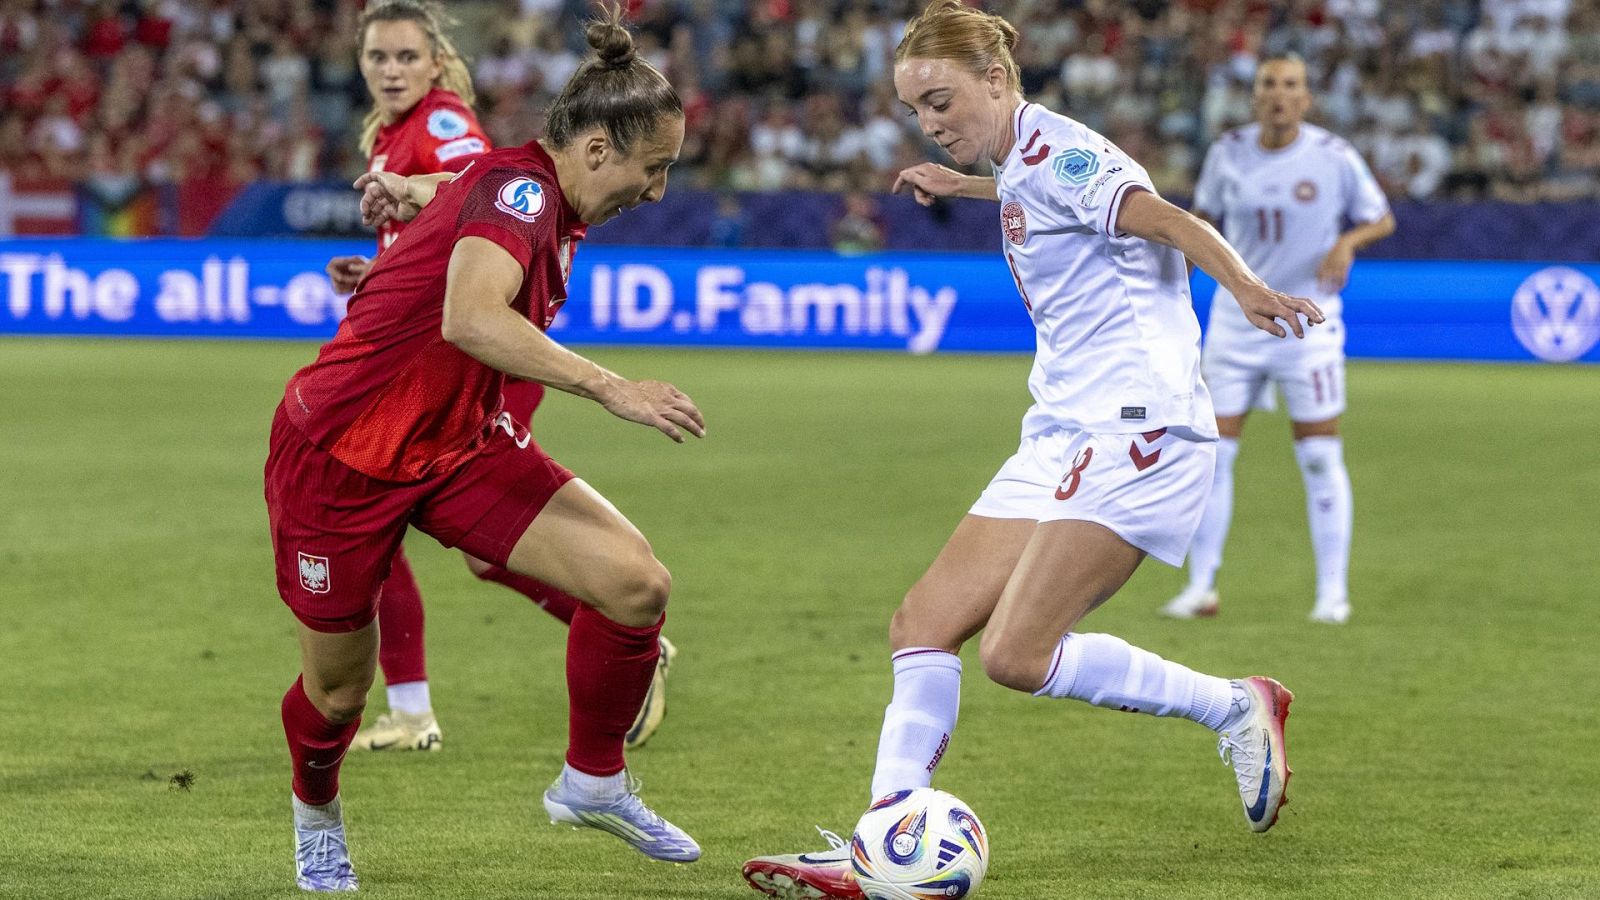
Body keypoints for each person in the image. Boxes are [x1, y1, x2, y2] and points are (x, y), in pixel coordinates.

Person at [741, 3, 1321, 896]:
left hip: (1140, 428)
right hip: (1061, 429)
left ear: (997, 80)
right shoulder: (1023, 163)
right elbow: (1034, 192)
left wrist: (1243, 286)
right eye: (917, 111)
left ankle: (1235, 704)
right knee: (922, 625)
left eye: (942, 101)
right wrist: (962, 183)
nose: (932, 121)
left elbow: (1163, 218)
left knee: (1016, 654)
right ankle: (884, 843)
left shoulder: (1064, 153)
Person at [267, 10, 702, 891]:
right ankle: (316, 813)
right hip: (342, 453)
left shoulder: (529, 187)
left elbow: (463, 190)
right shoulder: (529, 193)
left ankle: (594, 781)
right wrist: (614, 388)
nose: (655, 192)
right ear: (592, 149)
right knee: (340, 695)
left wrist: (409, 210)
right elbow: (469, 318)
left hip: (457, 444)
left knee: (635, 585)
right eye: (651, 169)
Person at [324, 0, 677, 755]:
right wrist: (384, 272)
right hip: (447, 350)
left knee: (375, 515)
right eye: (378, 58)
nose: (391, 71)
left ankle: (426, 706)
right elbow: (460, 220)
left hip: (480, 359)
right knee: (479, 551)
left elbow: (490, 193)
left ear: (436, 63)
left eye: (406, 58)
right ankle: (618, 627)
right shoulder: (393, 133)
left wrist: (613, 387)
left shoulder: (442, 123)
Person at [1161, 54, 1395, 625]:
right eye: (1269, 84)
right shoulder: (1227, 153)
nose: (1279, 95)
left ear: (1307, 98)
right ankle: (1202, 588)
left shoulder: (1333, 157)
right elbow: (1200, 224)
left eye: (1291, 86)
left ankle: (1332, 594)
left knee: (1319, 455)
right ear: (1254, 96)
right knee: (1213, 455)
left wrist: (1348, 243)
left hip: (1308, 325)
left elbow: (1381, 217)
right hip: (1237, 323)